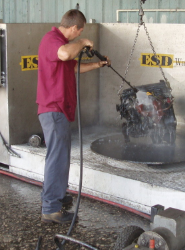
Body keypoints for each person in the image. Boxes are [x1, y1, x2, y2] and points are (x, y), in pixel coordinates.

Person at [36, 9, 110, 224]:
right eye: (79, 32)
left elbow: (73, 66)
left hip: (59, 109)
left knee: (59, 157)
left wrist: (98, 64)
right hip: (53, 108)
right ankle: (51, 208)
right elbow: (66, 54)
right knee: (57, 158)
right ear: (74, 28)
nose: (78, 36)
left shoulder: (61, 44)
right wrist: (85, 41)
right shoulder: (52, 40)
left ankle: (55, 196)